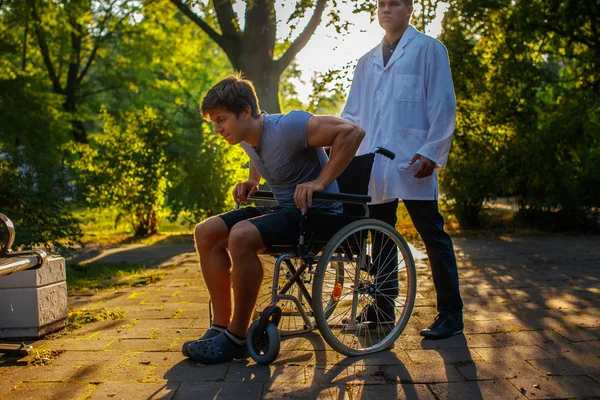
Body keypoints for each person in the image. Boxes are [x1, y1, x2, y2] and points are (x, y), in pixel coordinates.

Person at [183, 74, 365, 364]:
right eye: (214, 122)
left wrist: (320, 181)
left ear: (245, 111)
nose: (217, 129)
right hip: (285, 210)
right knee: (205, 232)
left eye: (221, 120)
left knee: (240, 235)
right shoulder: (244, 136)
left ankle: (237, 336)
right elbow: (258, 153)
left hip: (318, 215)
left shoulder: (289, 126)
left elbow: (353, 132)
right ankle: (220, 326)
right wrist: (251, 179)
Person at [341, 0, 464, 339]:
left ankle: (451, 314)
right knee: (379, 234)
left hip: (414, 160)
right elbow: (352, 113)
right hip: (374, 163)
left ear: (410, 8)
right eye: (381, 4)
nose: (386, 10)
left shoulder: (428, 49)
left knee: (432, 234)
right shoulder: (366, 61)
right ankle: (381, 309)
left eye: (394, 4)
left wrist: (432, 151)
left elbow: (443, 103)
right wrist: (334, 141)